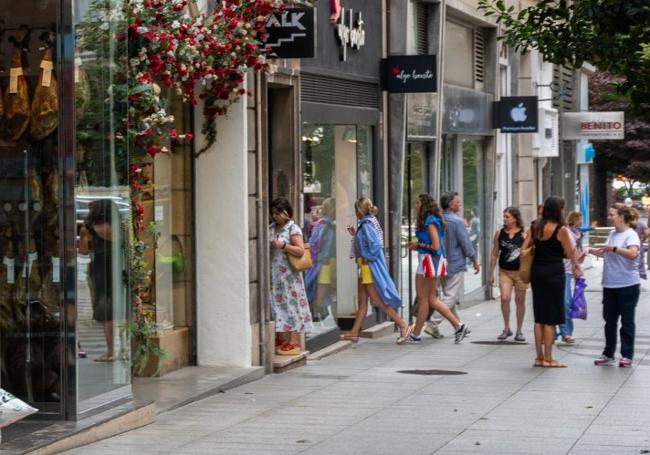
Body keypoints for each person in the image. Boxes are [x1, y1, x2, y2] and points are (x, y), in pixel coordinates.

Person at [522, 196, 581, 368]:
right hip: (554, 273)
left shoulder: (535, 227)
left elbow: (524, 248)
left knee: (539, 317)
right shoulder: (560, 229)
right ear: (558, 210)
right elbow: (570, 253)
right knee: (551, 318)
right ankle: (549, 358)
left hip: (537, 272)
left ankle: (538, 358)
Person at [341, 197, 410, 344]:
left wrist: (365, 257)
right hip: (365, 268)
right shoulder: (370, 222)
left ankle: (403, 325)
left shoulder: (366, 225)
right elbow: (370, 243)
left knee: (377, 301)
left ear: (359, 210)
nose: (355, 213)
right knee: (363, 302)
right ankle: (354, 332)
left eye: (355, 210)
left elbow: (374, 246)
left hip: (367, 268)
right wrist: (356, 235)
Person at [408, 194, 469, 343]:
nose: (416, 205)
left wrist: (419, 245)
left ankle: (416, 335)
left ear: (424, 205)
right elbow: (434, 246)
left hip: (429, 262)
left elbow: (435, 246)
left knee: (424, 299)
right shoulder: (431, 220)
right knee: (431, 300)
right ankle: (458, 325)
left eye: (417, 203)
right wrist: (418, 246)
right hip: (433, 261)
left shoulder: (429, 221)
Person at [588, 204, 641, 368]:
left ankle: (627, 355)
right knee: (609, 321)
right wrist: (589, 250)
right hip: (610, 284)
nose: (609, 217)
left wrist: (615, 248)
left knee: (627, 321)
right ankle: (608, 353)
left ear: (621, 217)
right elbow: (605, 251)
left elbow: (633, 254)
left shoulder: (630, 235)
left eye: (612, 214)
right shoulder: (612, 233)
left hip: (628, 285)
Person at [425, 192, 479, 338]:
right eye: (457, 202)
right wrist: (474, 260)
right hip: (455, 264)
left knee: (451, 298)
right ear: (450, 204)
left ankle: (459, 326)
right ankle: (432, 324)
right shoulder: (457, 222)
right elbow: (466, 244)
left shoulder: (437, 219)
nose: (460, 204)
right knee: (450, 297)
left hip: (440, 264)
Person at [79, 199, 122, 362]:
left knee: (106, 312)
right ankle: (124, 348)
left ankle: (111, 351)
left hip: (99, 270)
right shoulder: (119, 227)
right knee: (121, 309)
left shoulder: (88, 228)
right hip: (118, 267)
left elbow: (83, 251)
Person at [269, 197, 313, 356]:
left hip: (289, 276)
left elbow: (301, 250)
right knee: (277, 305)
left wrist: (283, 246)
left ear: (286, 212)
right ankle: (281, 337)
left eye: (278, 213)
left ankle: (293, 341)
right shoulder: (272, 228)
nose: (275, 216)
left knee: (291, 305)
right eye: (273, 213)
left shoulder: (292, 228)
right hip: (275, 276)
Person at [487, 207, 528, 342]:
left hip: (521, 272)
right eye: (504, 216)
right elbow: (494, 254)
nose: (505, 219)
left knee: (520, 301)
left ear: (515, 219)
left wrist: (527, 240)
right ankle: (506, 328)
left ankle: (519, 330)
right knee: (505, 298)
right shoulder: (500, 233)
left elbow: (532, 250)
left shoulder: (524, 232)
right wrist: (490, 273)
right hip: (505, 271)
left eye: (507, 217)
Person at [557, 211, 585, 344]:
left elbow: (574, 252)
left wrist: (577, 265)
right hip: (552, 271)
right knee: (556, 303)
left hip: (565, 271)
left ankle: (566, 332)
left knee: (565, 302)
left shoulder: (572, 232)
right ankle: (556, 331)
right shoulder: (564, 231)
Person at [630, 207, 648, 280]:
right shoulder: (641, 224)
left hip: (629, 246)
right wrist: (643, 239)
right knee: (639, 261)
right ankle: (638, 276)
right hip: (638, 245)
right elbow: (647, 233)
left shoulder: (627, 224)